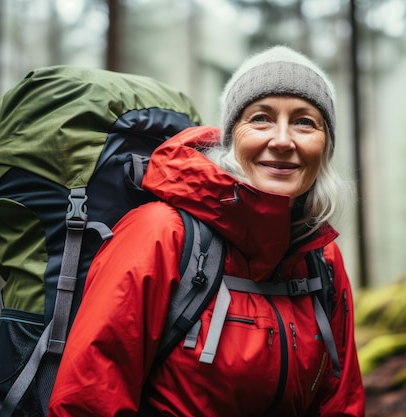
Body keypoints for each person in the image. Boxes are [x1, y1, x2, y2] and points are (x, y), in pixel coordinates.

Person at [48, 45, 365, 417]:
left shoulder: (322, 261)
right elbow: (89, 401)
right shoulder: (161, 233)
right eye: (261, 118)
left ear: (325, 146)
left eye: (305, 122)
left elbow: (340, 403)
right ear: (231, 139)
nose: (282, 140)